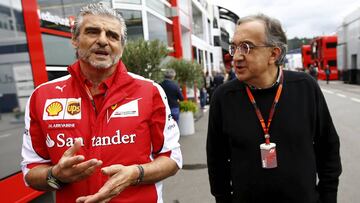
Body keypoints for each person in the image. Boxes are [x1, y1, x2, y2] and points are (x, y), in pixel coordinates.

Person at [20, 3, 182, 203]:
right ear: (75, 39)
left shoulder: (150, 92)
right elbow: (30, 171)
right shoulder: (42, 96)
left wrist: (135, 173)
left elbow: (172, 159)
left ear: (121, 47)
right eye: (92, 31)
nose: (103, 41)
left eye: (113, 36)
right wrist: (55, 176)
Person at [206, 13, 341, 203]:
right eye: (234, 47)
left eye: (246, 47)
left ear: (273, 53)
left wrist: (328, 198)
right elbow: (216, 161)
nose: (236, 56)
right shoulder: (223, 97)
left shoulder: (305, 87)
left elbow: (328, 148)